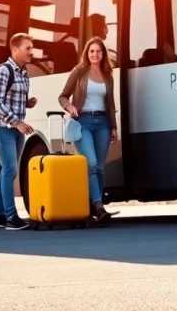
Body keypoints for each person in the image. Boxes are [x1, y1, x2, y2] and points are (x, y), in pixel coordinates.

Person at [58, 36, 119, 225]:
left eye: (98, 51)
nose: (95, 54)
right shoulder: (79, 72)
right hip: (82, 122)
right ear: (87, 53)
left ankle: (95, 209)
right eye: (92, 51)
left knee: (100, 167)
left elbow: (110, 105)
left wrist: (114, 126)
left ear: (103, 54)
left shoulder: (108, 76)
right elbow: (63, 96)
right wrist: (70, 107)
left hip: (102, 123)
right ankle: (99, 206)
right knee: (91, 164)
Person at [0, 33, 37, 231]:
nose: (32, 52)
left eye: (32, 48)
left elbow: (12, 99)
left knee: (7, 170)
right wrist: (17, 123)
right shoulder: (3, 71)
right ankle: (11, 217)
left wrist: (27, 103)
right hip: (3, 127)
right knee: (10, 170)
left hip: (16, 127)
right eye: (28, 48)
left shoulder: (23, 72)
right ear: (14, 49)